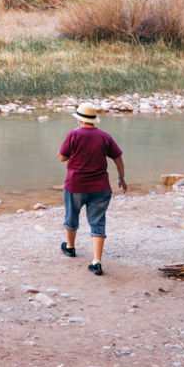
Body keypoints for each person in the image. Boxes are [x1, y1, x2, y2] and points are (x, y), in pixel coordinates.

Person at [57, 102, 127, 276]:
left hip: (75, 186)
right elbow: (118, 159)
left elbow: (61, 158)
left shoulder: (73, 134)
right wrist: (121, 179)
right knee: (98, 222)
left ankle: (71, 248)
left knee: (71, 216)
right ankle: (96, 262)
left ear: (79, 120)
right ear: (93, 120)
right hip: (101, 187)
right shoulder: (105, 136)